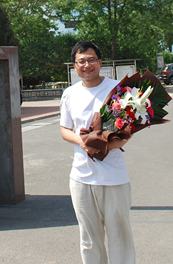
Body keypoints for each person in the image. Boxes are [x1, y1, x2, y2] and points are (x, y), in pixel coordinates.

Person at [60, 41, 135, 264]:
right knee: (89, 239)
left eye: (91, 60)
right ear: (75, 66)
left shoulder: (118, 89)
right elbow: (65, 130)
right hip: (81, 177)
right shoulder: (70, 93)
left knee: (120, 236)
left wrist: (103, 146)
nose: (87, 65)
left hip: (113, 177)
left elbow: (128, 131)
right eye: (81, 61)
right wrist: (83, 143)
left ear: (100, 62)